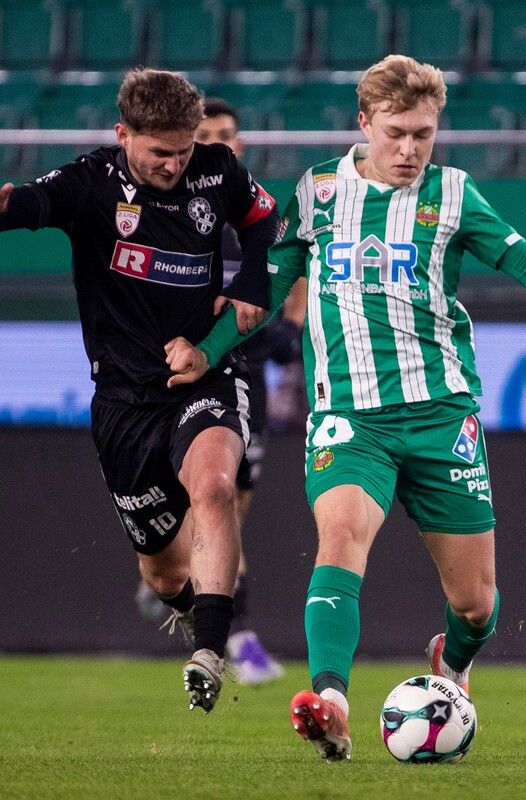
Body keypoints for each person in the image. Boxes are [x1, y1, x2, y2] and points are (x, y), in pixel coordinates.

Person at [174, 54, 526, 760]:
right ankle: (330, 702)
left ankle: (452, 662)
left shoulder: (454, 195)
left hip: (443, 416)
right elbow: (266, 295)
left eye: (424, 133)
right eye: (397, 133)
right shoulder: (319, 191)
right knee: (341, 536)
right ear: (365, 124)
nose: (411, 149)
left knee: (478, 605)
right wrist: (205, 350)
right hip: (351, 417)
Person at [0, 68, 280, 710]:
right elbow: (26, 206)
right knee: (162, 572)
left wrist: (253, 284)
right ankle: (198, 615)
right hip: (124, 405)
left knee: (214, 486)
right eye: (160, 152)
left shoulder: (216, 170)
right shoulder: (90, 183)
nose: (174, 164)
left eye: (183, 150)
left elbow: (262, 220)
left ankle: (214, 651)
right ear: (122, 134)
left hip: (204, 372)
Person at [134, 98, 305, 685]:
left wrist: (287, 327)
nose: (217, 142)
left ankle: (189, 586)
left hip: (242, 379)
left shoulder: (257, 223)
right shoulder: (172, 217)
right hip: (174, 377)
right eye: (205, 134)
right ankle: (234, 632)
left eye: (226, 134)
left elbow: (294, 291)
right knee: (207, 508)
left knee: (226, 509)